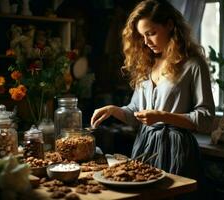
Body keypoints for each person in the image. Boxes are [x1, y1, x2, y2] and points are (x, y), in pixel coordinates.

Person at [91, 0, 215, 188]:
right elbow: (135, 113)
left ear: (170, 25)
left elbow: (206, 119)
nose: (146, 42)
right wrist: (113, 110)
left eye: (151, 33)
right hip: (145, 145)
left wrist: (162, 117)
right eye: (142, 36)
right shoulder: (147, 65)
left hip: (177, 148)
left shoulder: (193, 65)